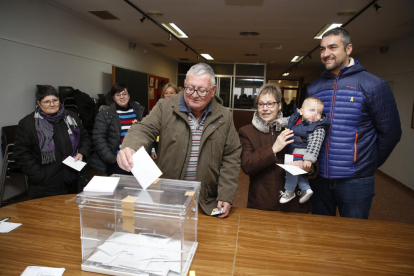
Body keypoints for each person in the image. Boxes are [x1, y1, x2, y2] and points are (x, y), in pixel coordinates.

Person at [117, 63, 242, 218]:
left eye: (202, 90)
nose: (195, 94)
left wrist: (226, 194)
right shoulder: (165, 106)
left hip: (206, 201)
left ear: (213, 90)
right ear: (184, 85)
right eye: (190, 88)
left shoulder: (224, 116)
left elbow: (231, 156)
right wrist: (130, 146)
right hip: (169, 197)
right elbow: (145, 128)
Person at [307, 27, 402, 219]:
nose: (326, 54)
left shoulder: (373, 85)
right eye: (322, 49)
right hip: (320, 177)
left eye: (333, 47)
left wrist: (368, 164)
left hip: (355, 181)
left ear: (348, 49)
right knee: (319, 235)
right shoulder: (314, 88)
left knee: (354, 237)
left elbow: (391, 133)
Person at [238, 83, 315, 213]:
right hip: (263, 203)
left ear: (279, 105)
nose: (265, 108)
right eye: (261, 104)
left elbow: (312, 155)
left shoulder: (295, 128)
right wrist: (273, 149)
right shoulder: (246, 132)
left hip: (294, 203)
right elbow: (247, 165)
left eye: (270, 103)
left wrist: (309, 167)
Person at [14, 85, 91, 199]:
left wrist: (82, 152)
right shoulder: (28, 123)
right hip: (45, 184)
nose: (52, 104)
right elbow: (21, 153)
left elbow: (85, 137)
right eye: (47, 101)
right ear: (39, 103)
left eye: (55, 100)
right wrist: (39, 175)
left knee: (72, 213)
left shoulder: (71, 117)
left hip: (72, 178)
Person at [278, 97, 329, 204]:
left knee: (290, 169)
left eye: (319, 112)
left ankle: (289, 191)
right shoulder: (296, 118)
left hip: (302, 151)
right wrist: (281, 121)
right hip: (292, 149)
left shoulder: (317, 127)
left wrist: (309, 160)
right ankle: (305, 188)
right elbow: (289, 120)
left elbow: (315, 145)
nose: (315, 114)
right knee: (296, 172)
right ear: (301, 111)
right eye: (311, 110)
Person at [90, 83, 145, 176]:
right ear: (113, 97)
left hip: (137, 159)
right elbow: (98, 138)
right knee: (118, 189)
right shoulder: (105, 114)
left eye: (124, 94)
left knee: (137, 189)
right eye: (118, 95)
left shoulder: (139, 111)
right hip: (117, 161)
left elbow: (145, 132)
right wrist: (112, 159)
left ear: (129, 95)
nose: (122, 97)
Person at [148, 83, 180, 160]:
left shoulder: (182, 110)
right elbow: (152, 129)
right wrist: (152, 149)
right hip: (162, 147)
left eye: (171, 93)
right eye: (166, 93)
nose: (168, 95)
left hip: (177, 147)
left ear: (177, 94)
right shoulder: (158, 110)